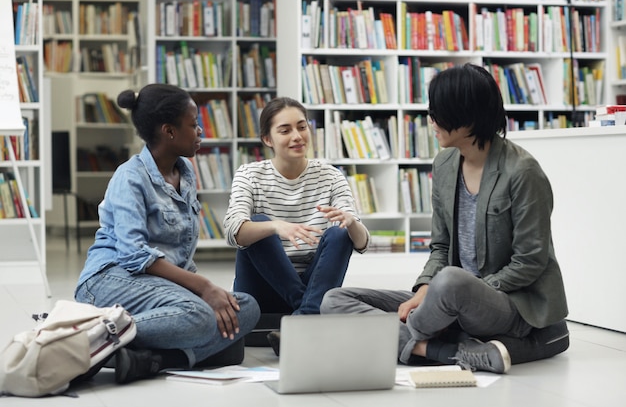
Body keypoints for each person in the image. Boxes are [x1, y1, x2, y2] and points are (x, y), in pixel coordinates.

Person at [321, 63, 570, 374]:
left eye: (438, 112)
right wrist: (425, 288)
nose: (431, 120)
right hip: (448, 300)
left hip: (510, 302)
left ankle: (397, 338)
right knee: (334, 300)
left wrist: (462, 293)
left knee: (452, 281)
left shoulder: (522, 172)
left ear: (467, 116)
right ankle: (441, 350)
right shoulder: (445, 163)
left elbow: (530, 262)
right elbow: (440, 247)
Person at [74, 84, 260, 384]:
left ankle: (154, 360)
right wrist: (203, 287)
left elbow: (181, 254)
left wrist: (210, 294)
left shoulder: (185, 172)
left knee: (246, 308)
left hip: (156, 284)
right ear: (169, 131)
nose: (200, 131)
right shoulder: (130, 177)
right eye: (193, 124)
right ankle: (92, 336)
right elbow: (133, 255)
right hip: (110, 279)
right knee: (202, 318)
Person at [223, 97, 370, 350]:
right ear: (267, 139)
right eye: (285, 130)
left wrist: (352, 223)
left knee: (340, 232)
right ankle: (309, 315)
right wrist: (276, 226)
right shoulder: (250, 174)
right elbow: (233, 232)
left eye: (302, 127)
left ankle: (305, 314)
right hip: (263, 286)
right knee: (257, 224)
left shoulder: (330, 176)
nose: (297, 136)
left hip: (313, 282)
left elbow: (363, 242)